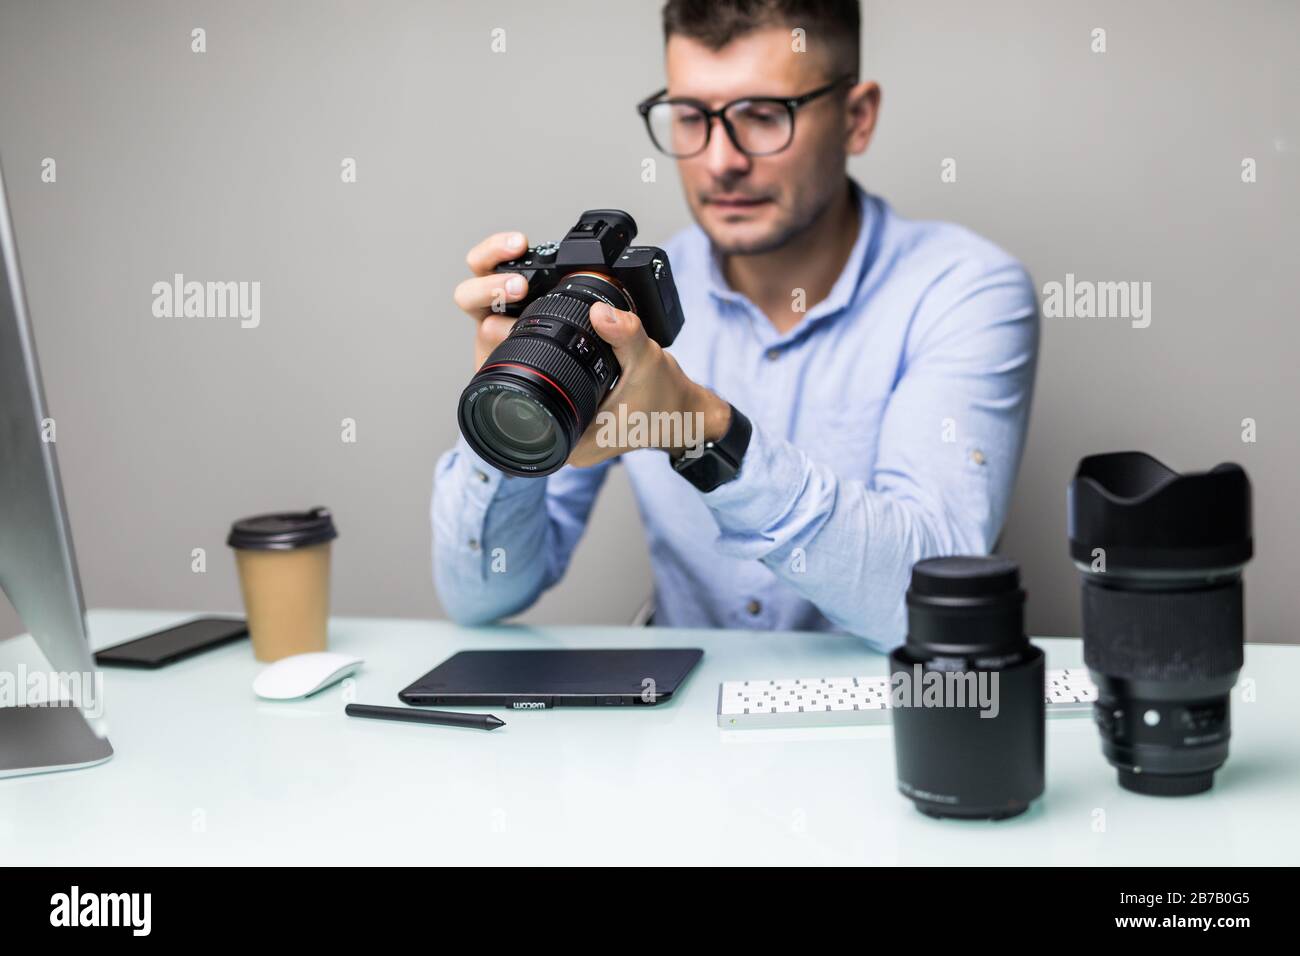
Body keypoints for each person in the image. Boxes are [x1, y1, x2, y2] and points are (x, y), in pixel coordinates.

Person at [432, 0, 1039, 651]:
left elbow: (928, 604)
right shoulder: (618, 307)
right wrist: (511, 397)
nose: (720, 161)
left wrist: (701, 429)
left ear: (856, 119)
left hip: (890, 722)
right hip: (676, 726)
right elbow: (482, 597)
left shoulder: (964, 289)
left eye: (762, 115)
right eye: (691, 116)